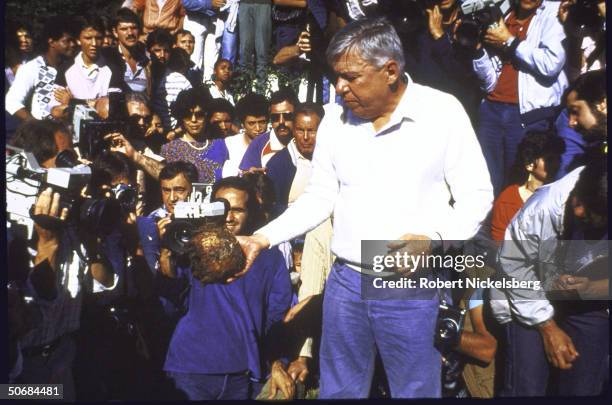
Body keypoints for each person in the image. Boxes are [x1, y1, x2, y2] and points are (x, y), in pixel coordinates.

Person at [236, 17, 493, 398]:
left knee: (415, 391)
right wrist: (262, 238)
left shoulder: (442, 113)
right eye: (336, 76)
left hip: (408, 284)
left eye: (350, 77)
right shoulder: (336, 121)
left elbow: (477, 194)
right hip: (345, 284)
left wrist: (435, 240)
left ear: (390, 70)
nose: (339, 87)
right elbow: (320, 196)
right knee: (340, 392)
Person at [492, 69, 607, 396]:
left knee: (583, 386)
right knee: (528, 387)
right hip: (528, 285)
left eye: (576, 111)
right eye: (579, 207)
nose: (582, 214)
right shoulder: (548, 204)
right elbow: (514, 264)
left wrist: (593, 286)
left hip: (586, 288)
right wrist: (548, 325)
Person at [161, 176, 293, 400]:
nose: (229, 218)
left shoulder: (269, 258)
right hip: (190, 368)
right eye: (222, 209)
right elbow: (170, 306)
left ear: (250, 213)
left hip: (242, 371)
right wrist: (166, 256)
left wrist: (278, 362)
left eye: (238, 210)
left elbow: (279, 316)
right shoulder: (192, 250)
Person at [472, 0, 568, 197]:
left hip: (526, 115)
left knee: (516, 184)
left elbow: (551, 64)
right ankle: (489, 226)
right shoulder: (502, 16)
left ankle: (511, 226)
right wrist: (477, 50)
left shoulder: (552, 15)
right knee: (484, 182)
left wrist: (510, 41)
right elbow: (488, 79)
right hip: (491, 109)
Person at [490, 130, 565, 242]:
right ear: (529, 164)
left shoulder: (563, 195)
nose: (556, 164)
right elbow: (499, 244)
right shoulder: (507, 202)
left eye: (558, 158)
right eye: (549, 159)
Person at [5, 16, 78, 121]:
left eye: (74, 40)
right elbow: (11, 102)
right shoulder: (33, 68)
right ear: (52, 42)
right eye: (67, 41)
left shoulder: (74, 68)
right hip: (42, 135)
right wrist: (36, 125)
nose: (73, 44)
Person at [160, 87, 228, 183]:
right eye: (187, 115)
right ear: (181, 117)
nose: (193, 120)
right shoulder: (170, 149)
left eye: (199, 114)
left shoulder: (221, 144)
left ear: (207, 115)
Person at [266, 101, 324, 215]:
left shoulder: (333, 159)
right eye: (300, 130)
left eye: (312, 131)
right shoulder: (278, 166)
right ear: (293, 130)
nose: (305, 137)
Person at [239, 87, 298, 171]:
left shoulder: (306, 139)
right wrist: (249, 175)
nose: (281, 122)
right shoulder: (259, 144)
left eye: (287, 116)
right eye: (275, 117)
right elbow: (244, 174)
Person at [102, 8, 150, 94]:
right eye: (124, 29)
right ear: (115, 32)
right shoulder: (107, 59)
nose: (130, 33)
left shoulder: (146, 61)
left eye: (133, 28)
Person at [222, 93, 270, 177]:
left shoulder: (273, 142)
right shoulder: (230, 144)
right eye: (252, 123)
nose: (258, 128)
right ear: (242, 124)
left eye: (262, 122)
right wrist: (244, 174)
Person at [153, 47, 194, 130]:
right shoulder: (183, 82)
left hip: (158, 126)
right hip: (175, 128)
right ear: (185, 66)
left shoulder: (157, 77)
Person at [238, 0, 273, 89]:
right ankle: (244, 90)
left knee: (262, 51)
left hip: (263, 4)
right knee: (244, 51)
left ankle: (261, 90)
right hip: (244, 3)